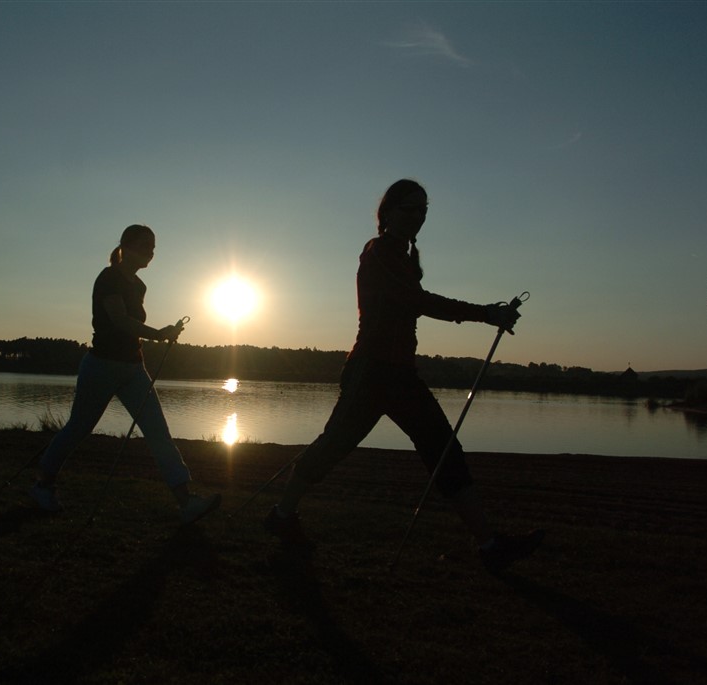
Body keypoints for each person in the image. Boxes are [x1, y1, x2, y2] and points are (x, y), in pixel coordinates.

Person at [265, 180, 544, 571]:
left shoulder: (403, 256)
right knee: (333, 447)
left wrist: (486, 314)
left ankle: (489, 545)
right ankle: (282, 514)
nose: (418, 216)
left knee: (443, 451)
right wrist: (486, 313)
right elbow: (418, 301)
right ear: (388, 212)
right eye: (409, 209)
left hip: (399, 375)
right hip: (370, 373)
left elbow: (415, 302)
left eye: (423, 209)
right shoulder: (378, 252)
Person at [29, 224, 221, 525]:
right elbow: (120, 320)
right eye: (145, 246)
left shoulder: (139, 286)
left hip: (133, 367)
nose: (151, 252)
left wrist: (162, 334)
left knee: (158, 433)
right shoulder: (109, 278)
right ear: (126, 246)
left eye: (153, 247)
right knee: (78, 429)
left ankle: (187, 502)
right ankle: (43, 485)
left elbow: (131, 324)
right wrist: (159, 334)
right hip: (101, 365)